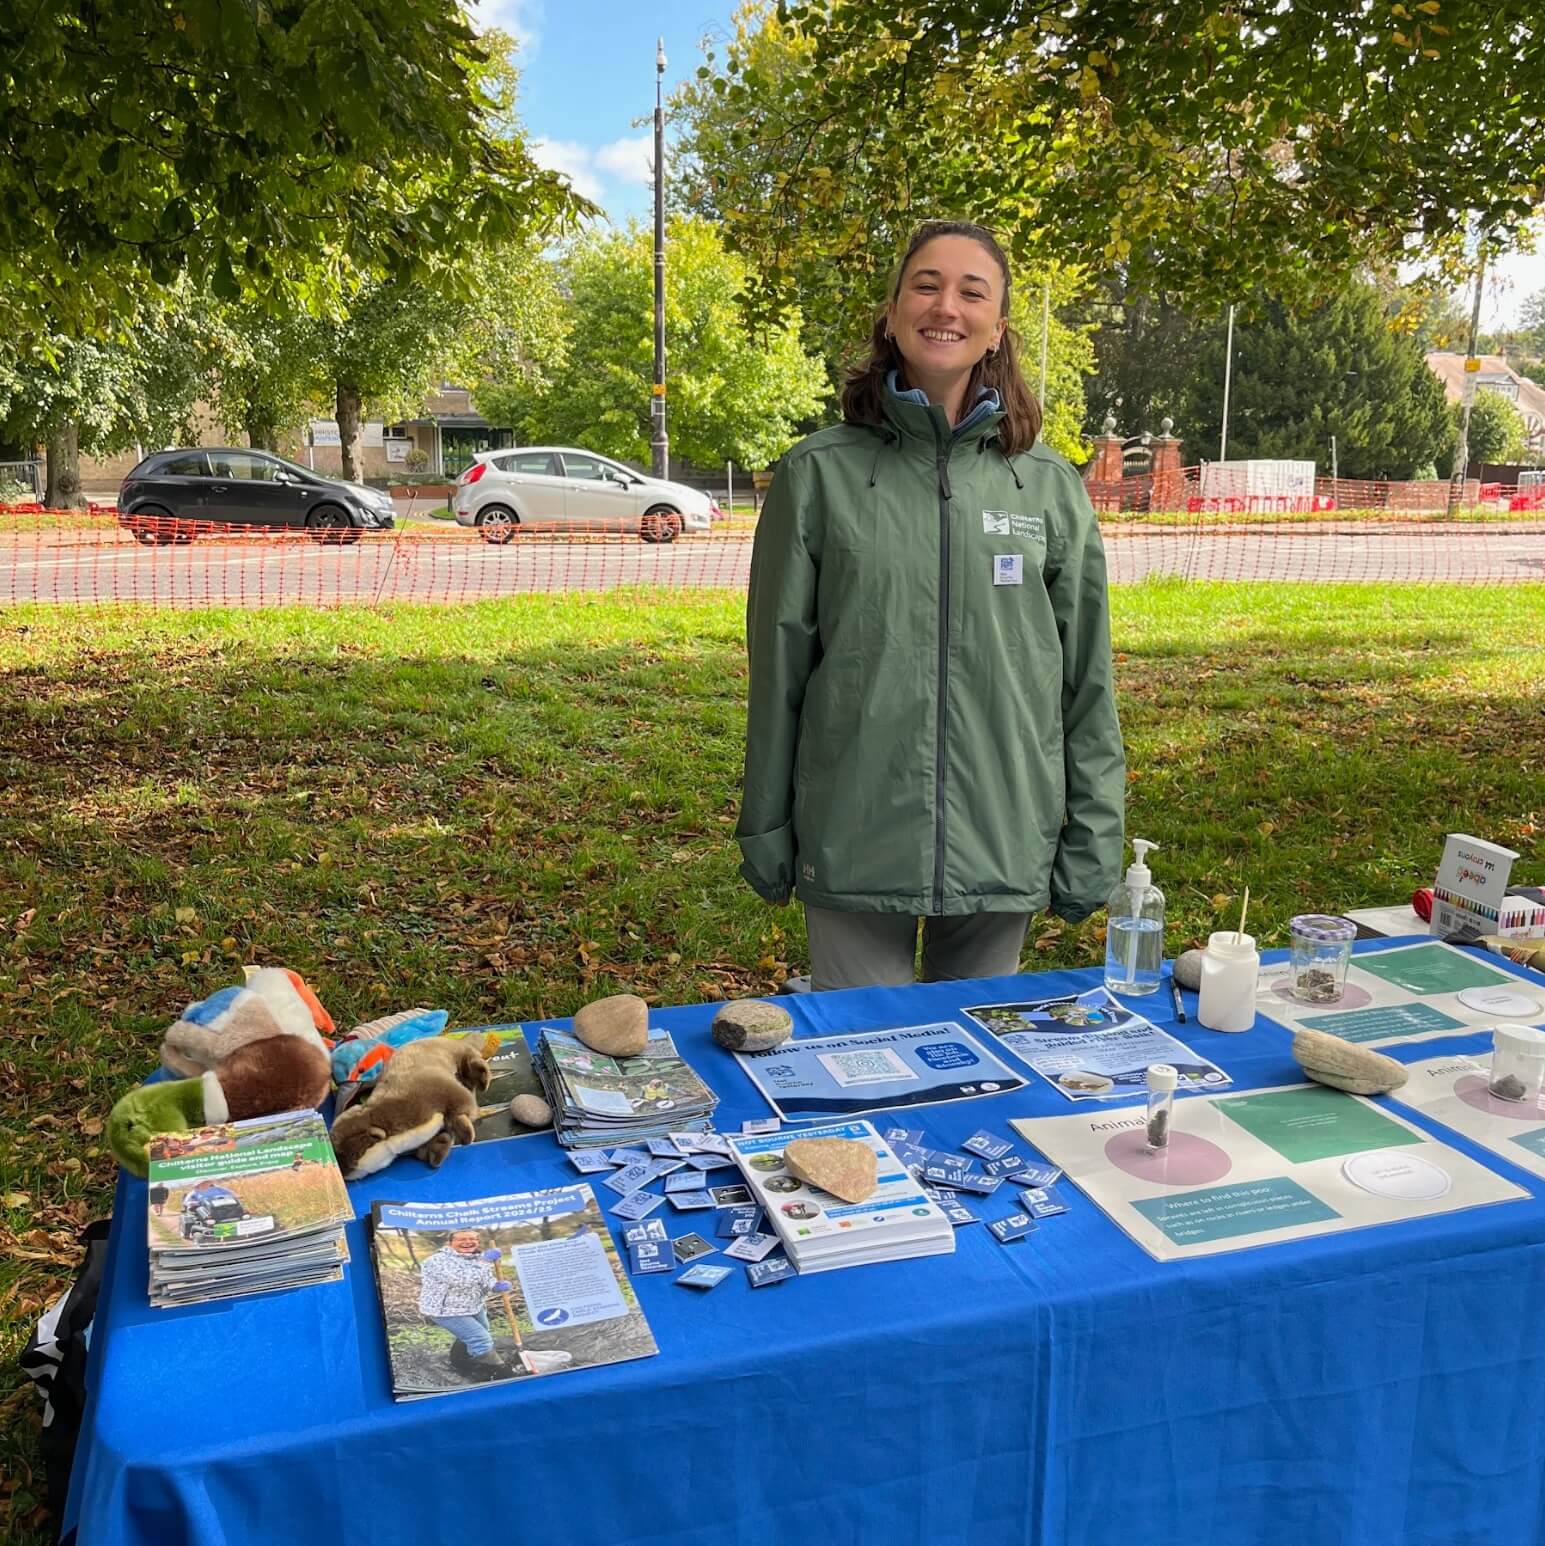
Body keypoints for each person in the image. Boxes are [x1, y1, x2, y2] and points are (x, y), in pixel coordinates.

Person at [736, 219, 1125, 991]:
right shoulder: (818, 476)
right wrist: (767, 822)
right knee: (864, 1067)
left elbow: (1086, 682)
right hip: (853, 831)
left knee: (974, 1070)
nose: (944, 305)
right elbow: (778, 670)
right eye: (925, 284)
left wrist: (1093, 835)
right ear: (891, 313)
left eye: (970, 291)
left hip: (1005, 832)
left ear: (996, 330)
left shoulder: (1045, 486)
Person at [417, 1230, 514, 1381]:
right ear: (450, 1243)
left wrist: (494, 1285)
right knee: (481, 1340)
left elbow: (483, 1279)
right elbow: (461, 1280)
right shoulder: (437, 1261)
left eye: (472, 1239)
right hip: (446, 1310)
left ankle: (459, 1362)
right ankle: (499, 1373)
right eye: (462, 1239)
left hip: (473, 1306)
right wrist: (484, 1262)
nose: (468, 1242)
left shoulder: (475, 1258)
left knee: (479, 1332)